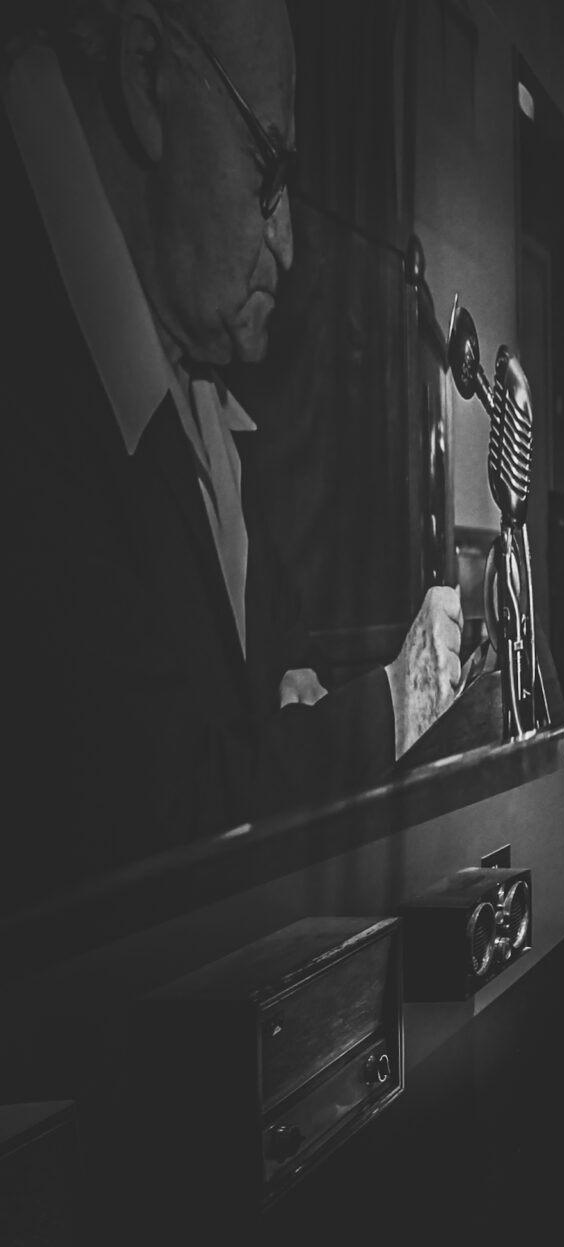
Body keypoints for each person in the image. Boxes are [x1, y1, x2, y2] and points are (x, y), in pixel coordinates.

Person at [3, 0, 462, 894]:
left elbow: (268, 687)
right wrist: (401, 702)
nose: (286, 247)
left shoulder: (196, 394)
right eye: (267, 164)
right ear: (146, 74)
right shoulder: (37, 359)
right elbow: (155, 829)